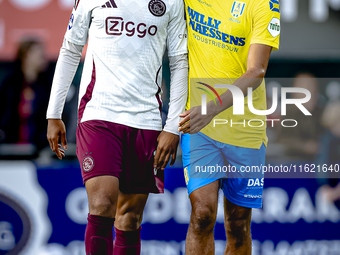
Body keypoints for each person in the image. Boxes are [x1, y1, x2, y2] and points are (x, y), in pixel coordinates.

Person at [46, 0, 188, 253]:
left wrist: (173, 127)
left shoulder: (173, 2)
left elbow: (179, 62)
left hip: (146, 120)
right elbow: (70, 49)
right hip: (99, 113)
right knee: (102, 204)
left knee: (130, 217)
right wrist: (53, 113)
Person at [178, 0, 280, 254]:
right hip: (201, 128)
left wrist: (211, 109)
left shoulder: (265, 4)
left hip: (244, 129)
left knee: (238, 225)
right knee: (201, 214)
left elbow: (257, 71)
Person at [0, 39, 50, 151]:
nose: (43, 58)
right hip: (10, 147)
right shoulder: (10, 85)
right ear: (26, 56)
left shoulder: (47, 86)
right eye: (39, 54)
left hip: (39, 148)